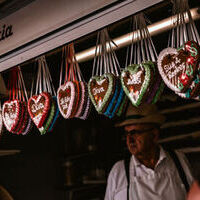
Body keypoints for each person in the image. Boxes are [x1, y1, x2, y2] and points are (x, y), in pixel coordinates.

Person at [104, 103, 194, 200]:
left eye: (135, 132)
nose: (129, 140)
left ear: (154, 135)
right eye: (127, 133)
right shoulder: (118, 171)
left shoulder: (179, 161)